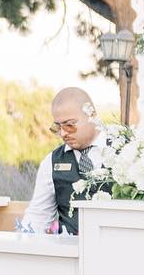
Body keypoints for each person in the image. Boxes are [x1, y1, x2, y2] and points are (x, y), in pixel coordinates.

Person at [21, 87, 114, 236]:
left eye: (69, 125)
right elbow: (38, 216)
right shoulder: (51, 162)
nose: (63, 133)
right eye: (58, 127)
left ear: (91, 114)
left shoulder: (125, 150)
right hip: (71, 253)